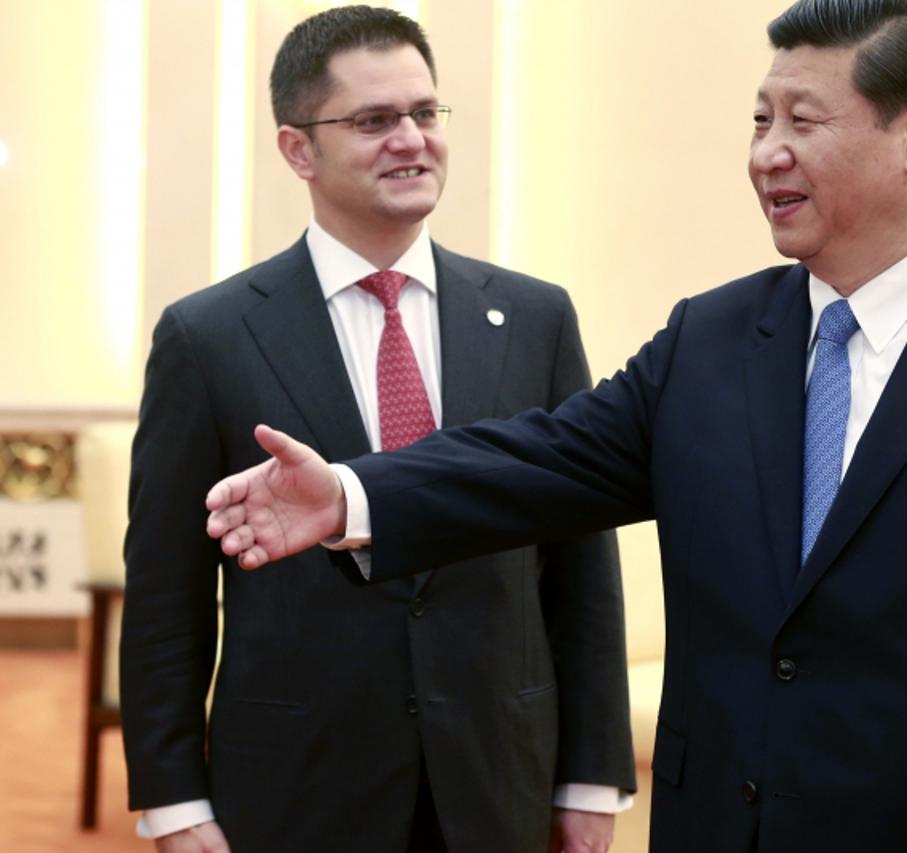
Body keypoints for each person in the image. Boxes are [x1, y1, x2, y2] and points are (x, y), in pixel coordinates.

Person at [206, 0, 907, 850]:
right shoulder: (711, 338)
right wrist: (350, 491)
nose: (765, 153)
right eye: (759, 118)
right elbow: (542, 458)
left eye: (801, 121)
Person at [120, 6, 634, 852]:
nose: (411, 139)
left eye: (425, 113)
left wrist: (589, 773)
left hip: (497, 772)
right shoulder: (207, 337)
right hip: (298, 784)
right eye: (374, 120)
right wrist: (175, 803)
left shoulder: (535, 318)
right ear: (297, 149)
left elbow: (582, 571)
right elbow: (165, 596)